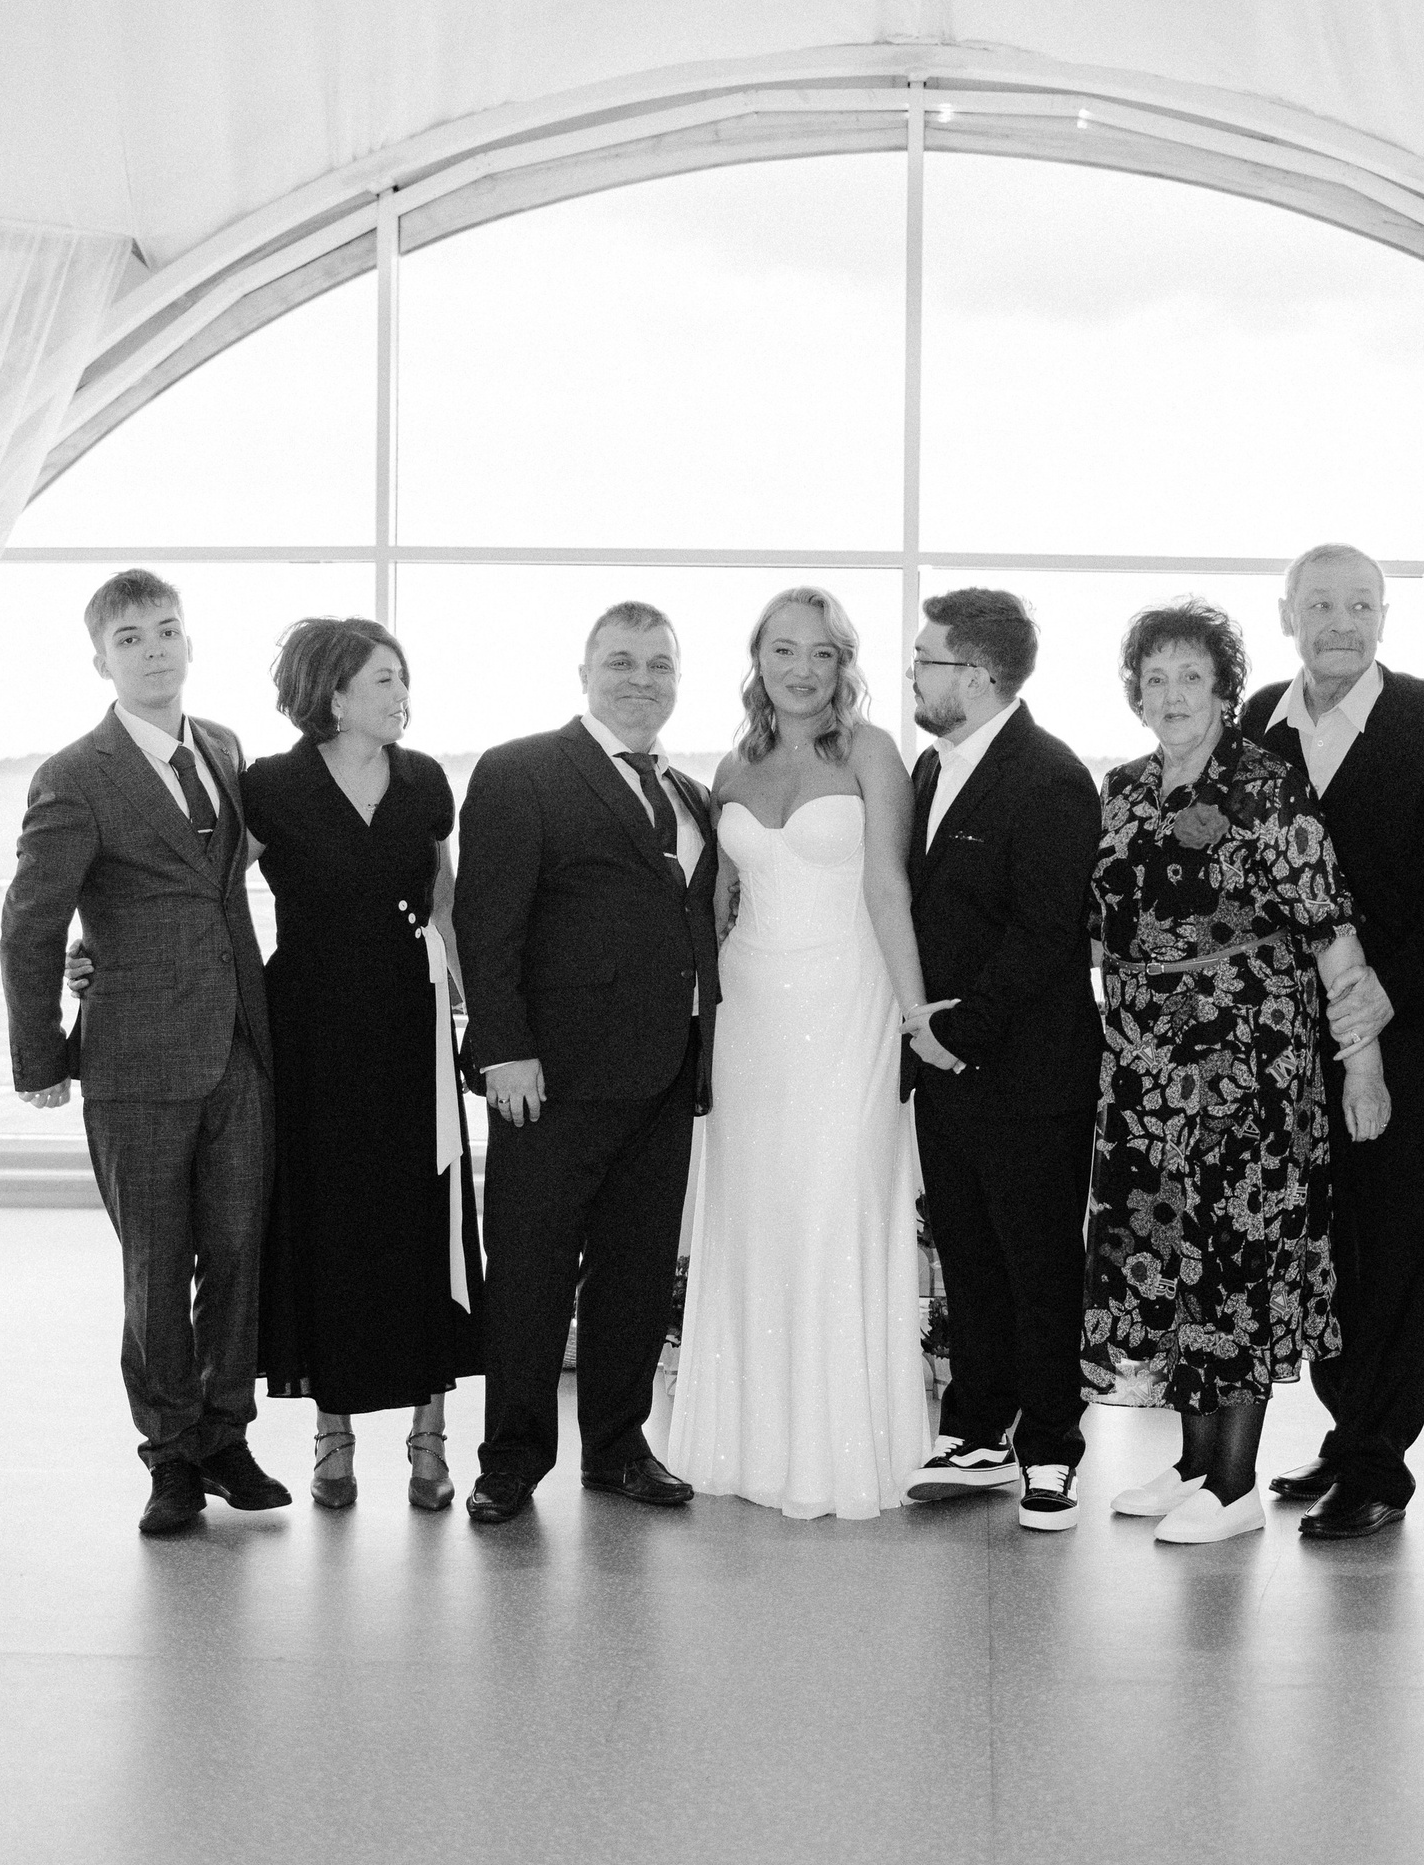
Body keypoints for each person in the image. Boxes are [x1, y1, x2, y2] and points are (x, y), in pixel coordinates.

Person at [1085, 602, 1392, 1543]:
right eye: (1155, 678)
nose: (1172, 694)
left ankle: (1234, 1487)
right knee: (1172, 1256)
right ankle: (1192, 1466)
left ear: (1224, 690)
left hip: (1246, 1070)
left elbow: (1332, 934)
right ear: (1136, 694)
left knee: (1237, 1262)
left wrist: (1363, 1066)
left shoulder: (1267, 787)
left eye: (1192, 676)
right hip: (1145, 1074)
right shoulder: (1124, 789)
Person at [0, 570, 289, 1537]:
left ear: (189, 643)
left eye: (167, 630)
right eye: (131, 638)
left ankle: (225, 1437)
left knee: (240, 1252)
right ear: (101, 661)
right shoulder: (74, 776)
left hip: (240, 1045)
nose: (155, 649)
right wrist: (42, 1056)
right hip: (135, 1058)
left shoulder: (226, 749)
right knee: (158, 1267)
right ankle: (168, 1456)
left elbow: (221, 880)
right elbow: (31, 924)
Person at [1242, 544, 1424, 1537]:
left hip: (1410, 1029)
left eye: (1360, 605)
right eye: (1320, 604)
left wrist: (1377, 1000)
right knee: (1316, 1238)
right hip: (1285, 1039)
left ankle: (1379, 1465)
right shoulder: (1258, 720)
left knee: (1393, 1241)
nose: (1340, 623)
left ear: (1385, 618)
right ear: (1288, 616)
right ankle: (1348, 1426)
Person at [454, 603, 720, 1524]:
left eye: (660, 664)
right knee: (530, 1272)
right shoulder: (520, 770)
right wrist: (505, 1050)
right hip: (550, 1077)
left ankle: (618, 1448)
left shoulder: (690, 793)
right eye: (621, 661)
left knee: (636, 1272)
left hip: (666, 1071)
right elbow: (487, 924)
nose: (641, 679)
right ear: (585, 672)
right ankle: (511, 1461)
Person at [668, 590, 930, 1517]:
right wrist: (693, 1024)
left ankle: (842, 1448)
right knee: (757, 1209)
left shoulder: (871, 752)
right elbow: (716, 906)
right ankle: (748, 1442)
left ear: (844, 663)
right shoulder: (732, 764)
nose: (803, 670)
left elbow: (890, 886)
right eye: (784, 650)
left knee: (834, 1200)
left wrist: (916, 1015)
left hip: (849, 999)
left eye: (822, 653)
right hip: (751, 1014)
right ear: (759, 659)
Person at [239, 619, 484, 1511]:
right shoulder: (270, 788)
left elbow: (444, 905)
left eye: (402, 677)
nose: (401, 694)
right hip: (309, 1028)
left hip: (410, 1024)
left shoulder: (425, 781)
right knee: (328, 1221)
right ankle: (332, 1437)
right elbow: (208, 895)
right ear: (334, 695)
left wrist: (473, 1017)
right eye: (384, 680)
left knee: (423, 1217)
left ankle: (429, 1438)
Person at [900, 588, 1104, 1532]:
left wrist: (959, 1031)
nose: (914, 675)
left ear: (976, 675)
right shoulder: (928, 768)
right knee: (969, 1256)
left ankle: (1053, 1448)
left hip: (1028, 1074)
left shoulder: (1051, 777)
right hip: (943, 1069)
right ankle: (976, 1431)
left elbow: (1045, 934)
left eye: (927, 660)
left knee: (1040, 1265)